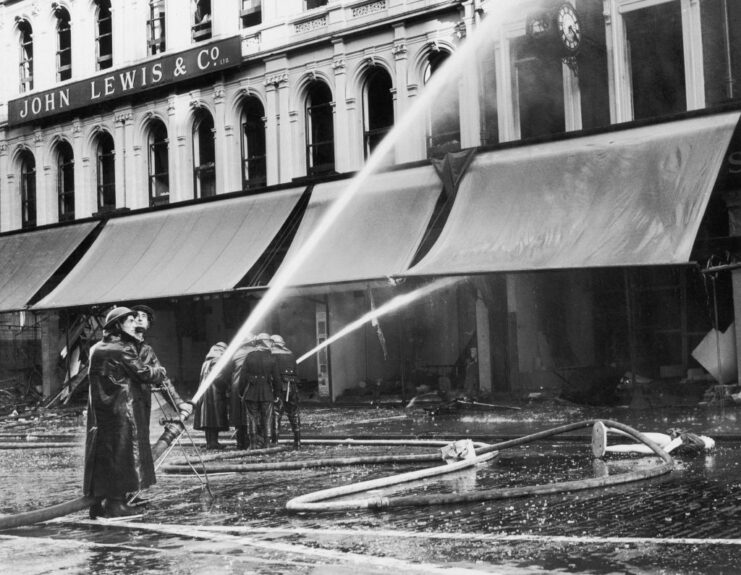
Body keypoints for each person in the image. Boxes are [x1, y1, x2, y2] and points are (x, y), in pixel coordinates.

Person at [83, 307, 169, 519]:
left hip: (102, 412)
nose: (134, 324)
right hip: (123, 411)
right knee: (123, 456)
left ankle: (100, 503)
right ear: (118, 325)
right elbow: (143, 373)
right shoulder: (122, 348)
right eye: (130, 321)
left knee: (105, 456)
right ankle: (116, 504)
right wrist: (160, 371)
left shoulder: (97, 348)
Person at [130, 304, 193, 418]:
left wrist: (178, 403)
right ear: (129, 321)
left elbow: (162, 379)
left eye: (144, 316)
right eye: (136, 316)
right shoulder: (121, 346)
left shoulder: (148, 350)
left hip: (142, 404)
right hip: (122, 406)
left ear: (148, 323)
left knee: (142, 435)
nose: (139, 318)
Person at [234, 333, 281, 450]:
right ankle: (267, 443)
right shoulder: (271, 357)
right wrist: (277, 394)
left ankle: (253, 443)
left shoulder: (249, 356)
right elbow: (277, 378)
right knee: (267, 418)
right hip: (267, 392)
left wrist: (241, 392)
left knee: (252, 418)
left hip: (251, 392)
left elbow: (243, 376)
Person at [193, 342, 230, 450]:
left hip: (204, 394)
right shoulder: (218, 361)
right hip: (214, 394)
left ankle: (210, 442)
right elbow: (218, 378)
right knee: (214, 419)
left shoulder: (206, 362)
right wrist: (226, 385)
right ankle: (213, 443)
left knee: (207, 420)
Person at [269, 334, 301, 449]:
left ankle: (275, 441)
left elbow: (273, 374)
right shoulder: (290, 354)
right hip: (292, 387)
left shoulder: (272, 354)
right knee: (294, 414)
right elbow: (297, 373)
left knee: (276, 414)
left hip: (280, 387)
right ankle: (297, 441)